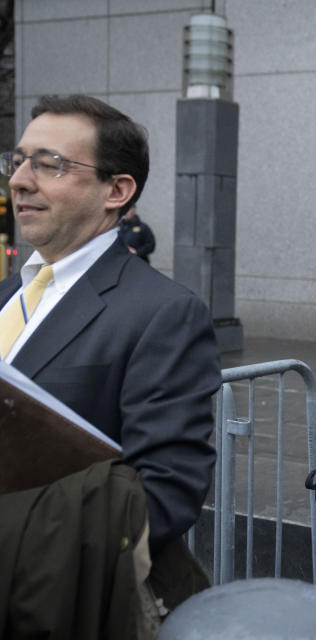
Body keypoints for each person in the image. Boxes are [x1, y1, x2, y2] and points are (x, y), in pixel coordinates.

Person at [0, 94, 221, 552]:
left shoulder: (163, 314)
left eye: (49, 164)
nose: (18, 181)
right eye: (18, 161)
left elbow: (163, 499)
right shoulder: (7, 296)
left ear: (117, 191)